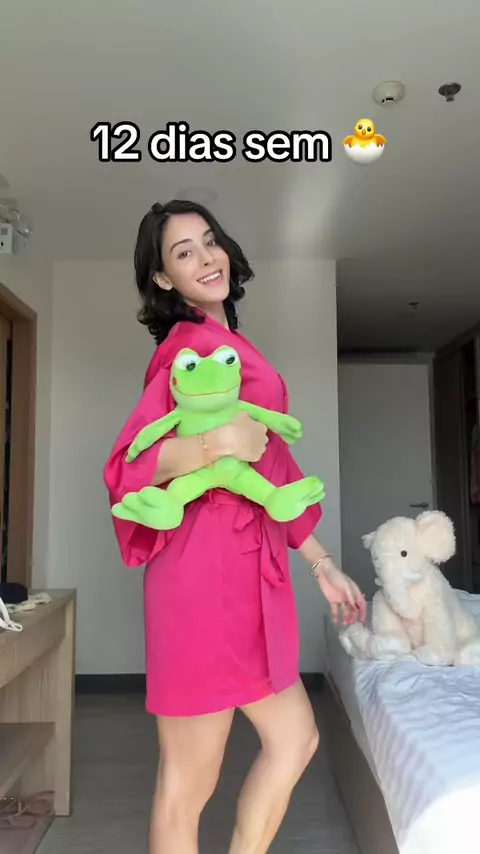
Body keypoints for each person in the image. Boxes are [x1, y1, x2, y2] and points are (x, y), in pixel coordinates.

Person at [103, 199, 367, 854]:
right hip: (201, 573)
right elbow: (127, 467)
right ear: (162, 278)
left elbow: (271, 465)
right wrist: (213, 443)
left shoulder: (233, 346)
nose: (205, 258)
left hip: (250, 569)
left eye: (209, 241)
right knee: (187, 783)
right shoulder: (185, 349)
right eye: (183, 252)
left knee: (296, 738)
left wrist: (320, 562)